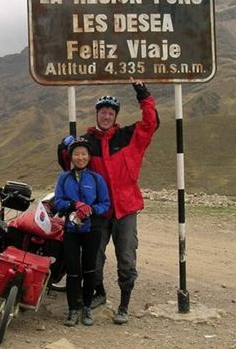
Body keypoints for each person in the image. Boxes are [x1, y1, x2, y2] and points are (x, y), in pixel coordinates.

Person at [82, 77, 160, 325]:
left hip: (126, 209)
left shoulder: (130, 137)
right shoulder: (87, 143)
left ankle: (124, 305)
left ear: (115, 116)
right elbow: (71, 163)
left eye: (110, 113)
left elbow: (151, 122)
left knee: (126, 259)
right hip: (100, 211)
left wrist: (143, 94)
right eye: (102, 112)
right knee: (93, 258)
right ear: (97, 115)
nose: (106, 116)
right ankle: (100, 294)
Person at [54, 137, 110, 327]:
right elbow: (58, 201)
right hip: (71, 229)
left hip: (92, 229)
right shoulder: (63, 178)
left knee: (89, 268)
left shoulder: (97, 179)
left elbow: (105, 204)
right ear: (71, 157)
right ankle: (72, 310)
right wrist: (73, 204)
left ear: (89, 156)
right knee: (72, 270)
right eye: (76, 154)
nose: (80, 157)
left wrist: (92, 210)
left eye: (83, 154)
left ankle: (86, 308)